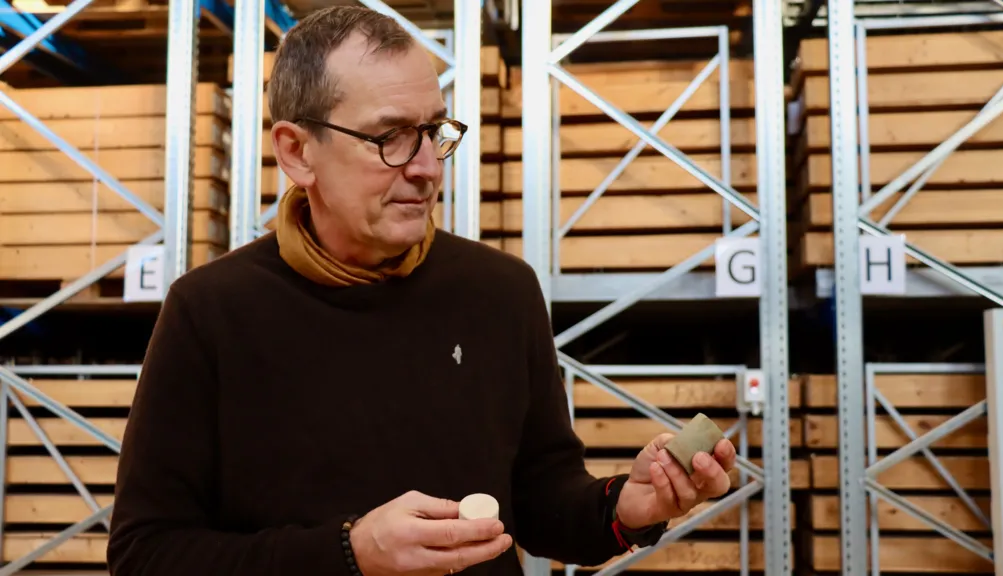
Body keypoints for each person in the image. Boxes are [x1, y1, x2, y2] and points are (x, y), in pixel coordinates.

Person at [105, 5, 737, 576]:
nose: (428, 167)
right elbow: (145, 556)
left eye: (434, 131)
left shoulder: (500, 292)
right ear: (297, 152)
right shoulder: (211, 313)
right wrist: (348, 554)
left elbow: (540, 501)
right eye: (390, 137)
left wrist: (627, 506)